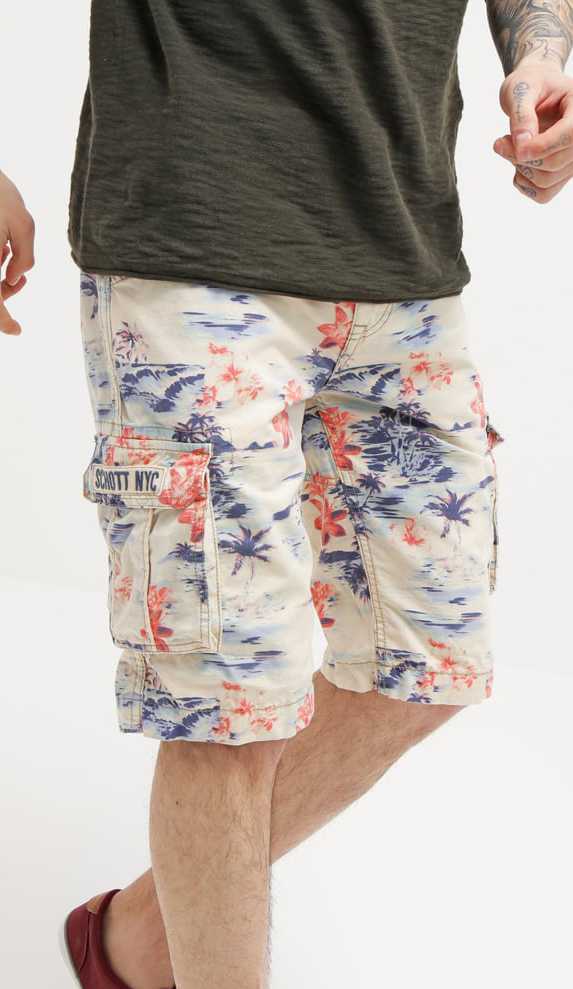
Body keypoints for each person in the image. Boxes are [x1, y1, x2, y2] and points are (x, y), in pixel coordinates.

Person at [2, 2, 572, 987]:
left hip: (404, 263)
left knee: (428, 664)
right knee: (228, 707)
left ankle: (137, 940)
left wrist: (544, 51)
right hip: (192, 258)